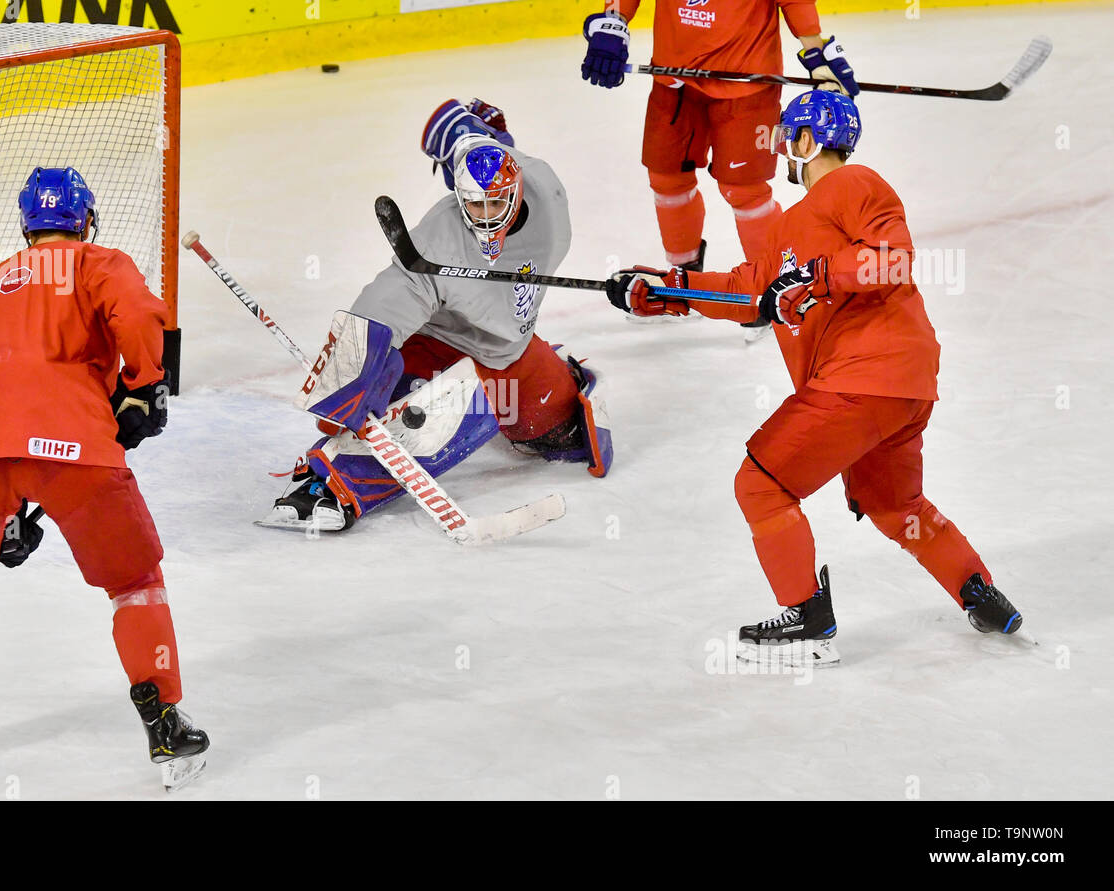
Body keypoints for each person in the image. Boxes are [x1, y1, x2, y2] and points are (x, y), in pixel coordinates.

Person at [606, 91, 1022, 667]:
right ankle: (978, 590)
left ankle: (805, 617)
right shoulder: (788, 228)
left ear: (806, 139)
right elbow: (748, 292)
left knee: (761, 484)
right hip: (899, 387)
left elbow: (893, 258)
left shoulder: (853, 185)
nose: (782, 150)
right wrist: (666, 291)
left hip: (864, 375)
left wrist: (818, 277)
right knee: (895, 506)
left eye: (788, 137)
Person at [0, 167, 208, 786]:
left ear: (27, 225)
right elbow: (140, 315)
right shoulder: (99, 263)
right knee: (134, 580)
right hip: (75, 449)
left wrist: (4, 517)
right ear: (84, 219)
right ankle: (162, 720)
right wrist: (143, 385)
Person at [262, 99, 612, 532]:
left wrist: (466, 127)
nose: (483, 217)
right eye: (472, 205)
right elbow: (391, 296)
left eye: (494, 204)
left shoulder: (547, 190)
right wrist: (352, 367)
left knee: (564, 436)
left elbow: (473, 143)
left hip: (511, 350)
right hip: (440, 343)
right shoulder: (439, 238)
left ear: (517, 192)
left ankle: (556, 368)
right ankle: (328, 484)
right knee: (422, 425)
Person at [582, 1, 858, 340]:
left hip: (748, 82)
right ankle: (681, 283)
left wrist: (815, 52)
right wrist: (614, 20)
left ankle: (774, 286)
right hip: (674, 78)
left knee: (744, 190)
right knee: (667, 179)